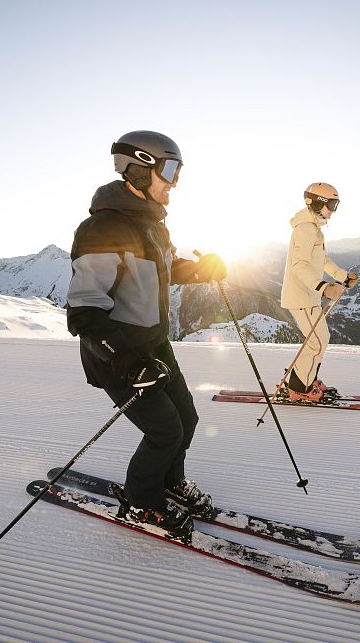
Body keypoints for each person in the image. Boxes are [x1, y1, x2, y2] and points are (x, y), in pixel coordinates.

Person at [66, 130, 226, 538]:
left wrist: (202, 270)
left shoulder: (153, 225)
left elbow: (165, 271)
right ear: (138, 170)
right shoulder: (103, 228)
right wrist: (126, 360)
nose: (175, 182)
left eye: (178, 172)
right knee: (164, 430)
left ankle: (169, 483)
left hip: (153, 344)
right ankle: (141, 502)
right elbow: (83, 312)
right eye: (169, 170)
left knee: (186, 417)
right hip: (116, 354)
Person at [278, 182, 358, 403]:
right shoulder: (304, 230)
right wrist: (324, 287)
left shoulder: (313, 229)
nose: (333, 210)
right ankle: (299, 387)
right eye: (331, 204)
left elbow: (322, 261)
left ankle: (304, 379)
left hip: (308, 295)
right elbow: (299, 265)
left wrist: (342, 277)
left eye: (336, 205)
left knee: (318, 340)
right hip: (301, 296)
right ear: (316, 203)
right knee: (318, 341)